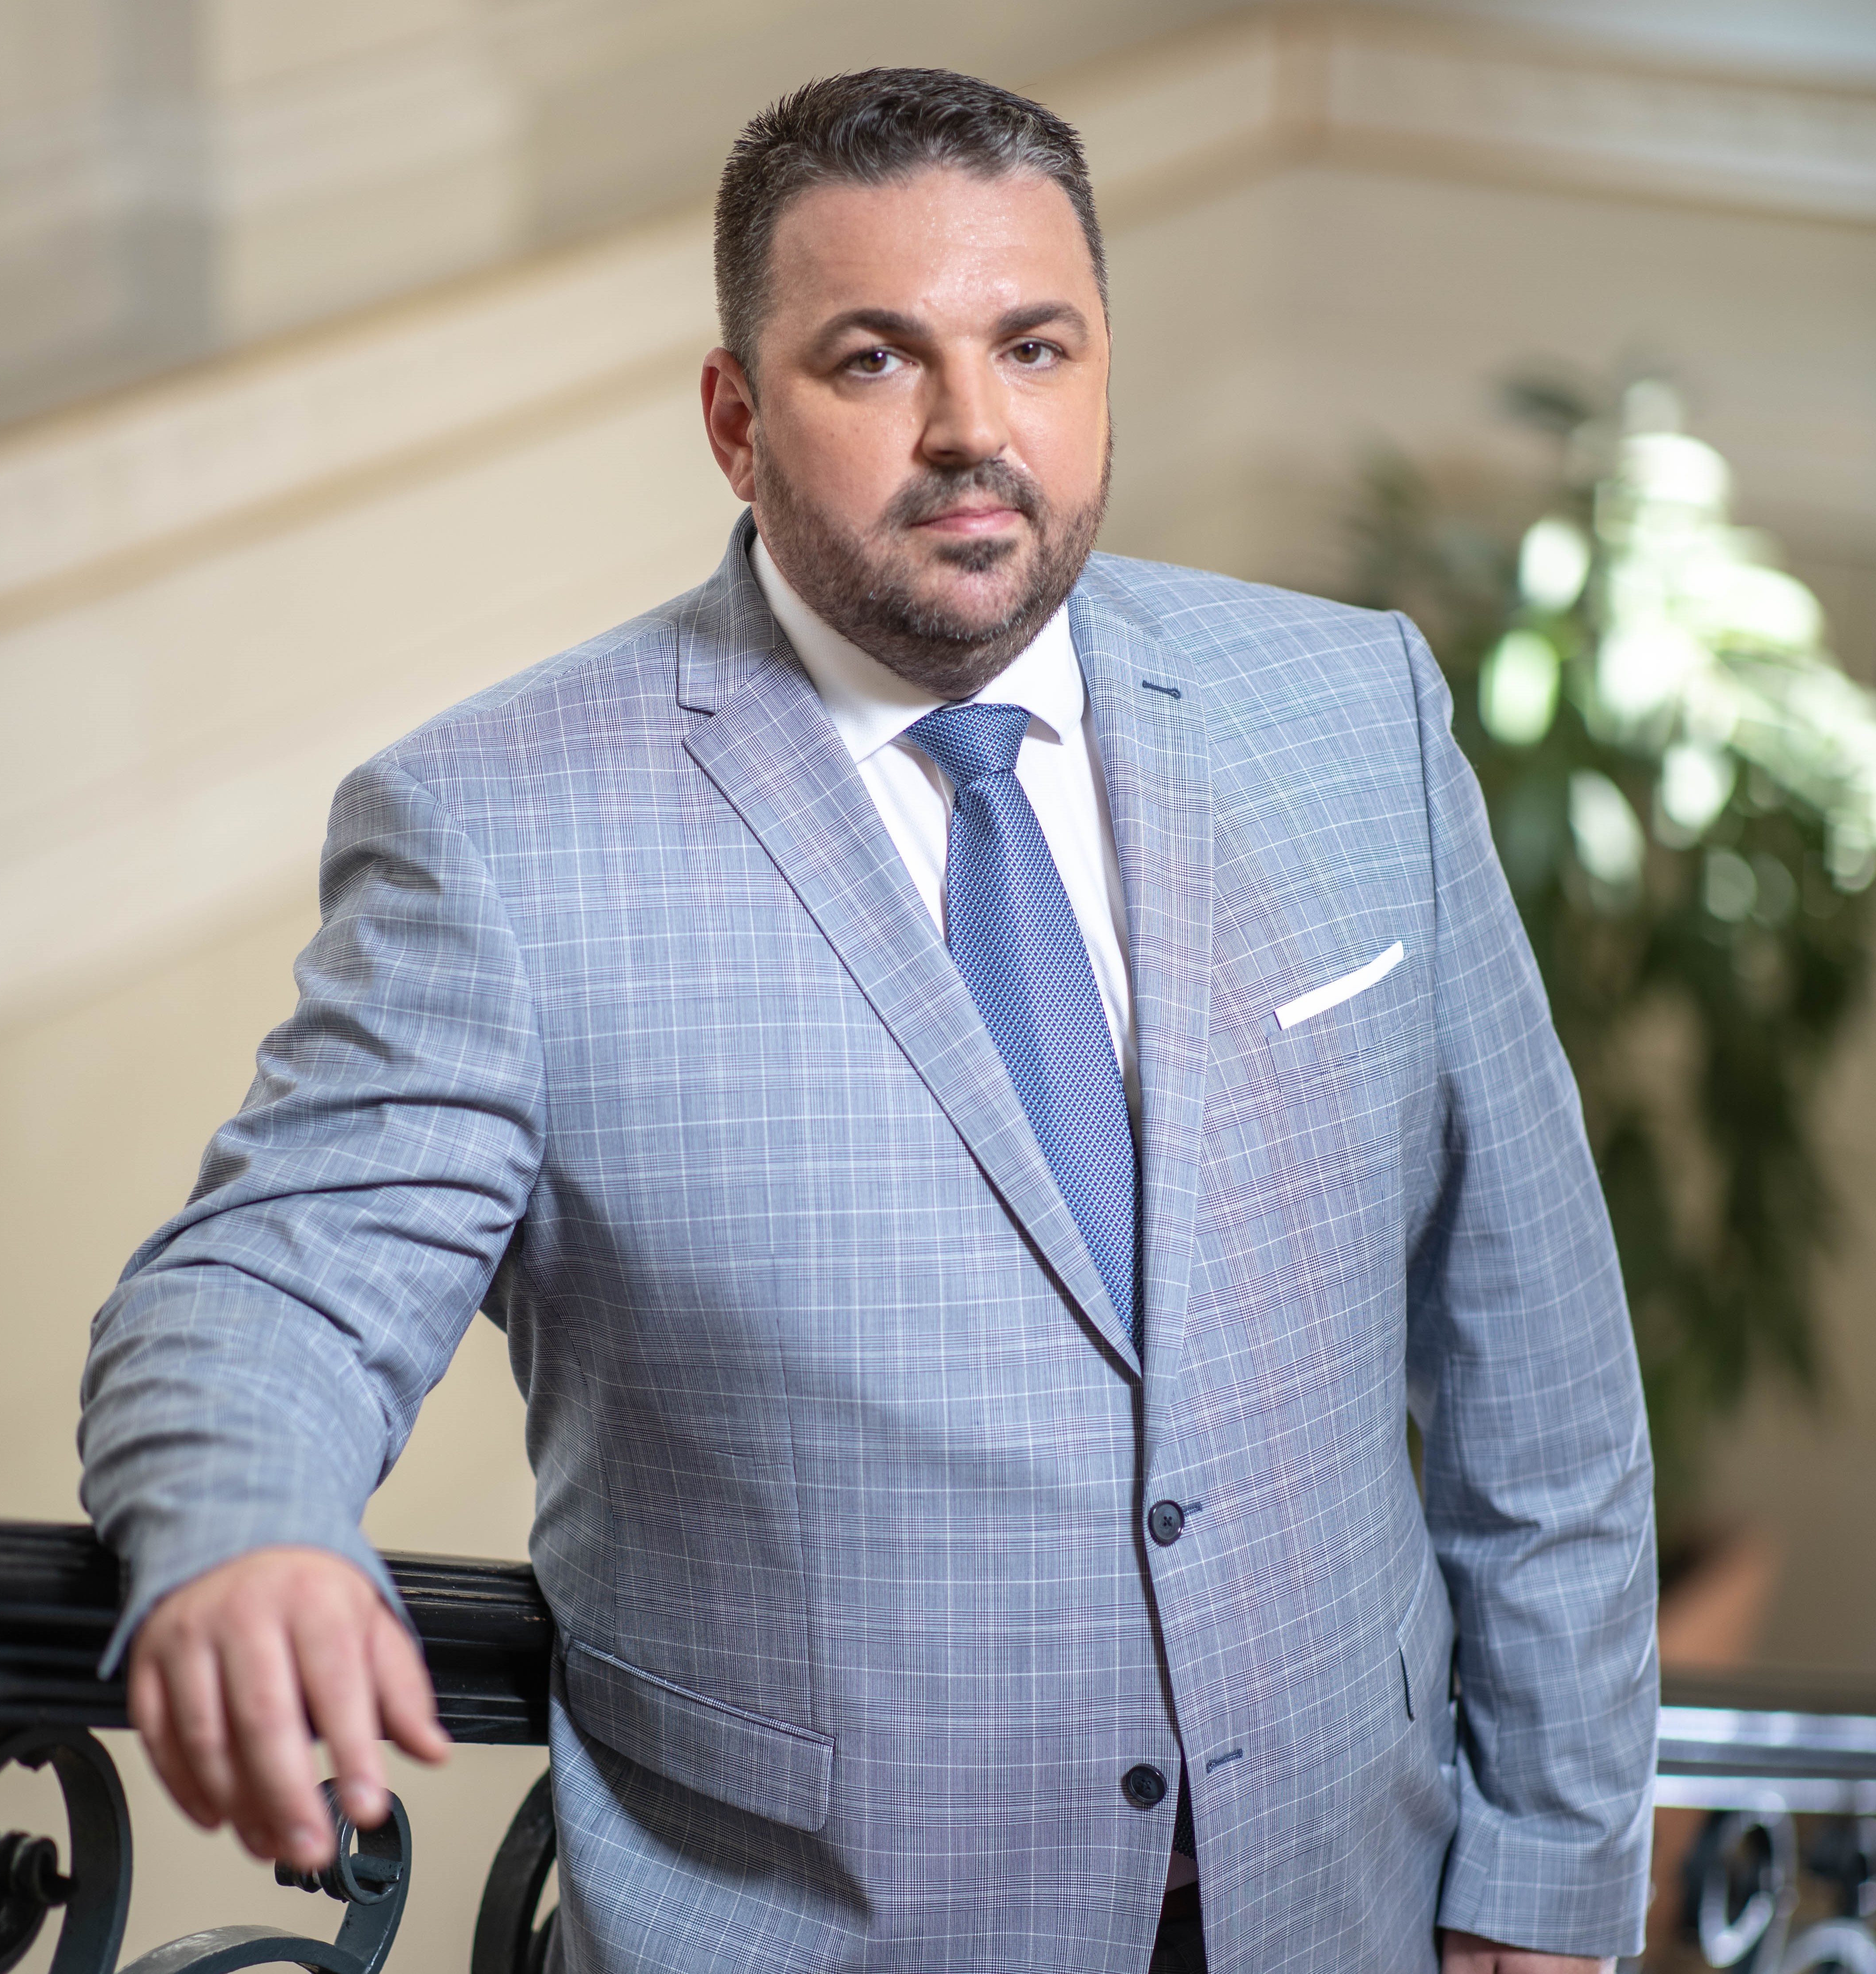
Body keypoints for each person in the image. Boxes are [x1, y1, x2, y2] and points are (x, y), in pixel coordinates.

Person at [79, 67, 1657, 1974]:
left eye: (1034, 346)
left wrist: (1545, 1874)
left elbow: (1537, 1359)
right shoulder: (499, 837)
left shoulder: (1352, 710)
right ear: (736, 421)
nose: (973, 427)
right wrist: (248, 1527)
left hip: (1346, 1909)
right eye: (875, 359)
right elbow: (269, 1283)